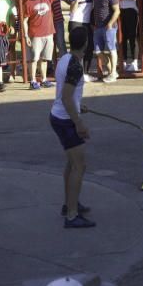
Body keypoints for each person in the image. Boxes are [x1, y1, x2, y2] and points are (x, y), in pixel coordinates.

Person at [50, 27, 95, 228]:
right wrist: (79, 123)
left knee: (71, 164)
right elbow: (67, 97)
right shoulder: (76, 66)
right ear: (85, 43)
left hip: (60, 115)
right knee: (79, 166)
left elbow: (67, 94)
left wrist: (78, 106)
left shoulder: (65, 58)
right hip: (65, 120)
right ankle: (72, 215)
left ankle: (69, 203)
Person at [24, 0, 62, 90]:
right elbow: (25, 20)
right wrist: (26, 36)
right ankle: (33, 80)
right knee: (34, 58)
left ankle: (44, 79)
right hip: (35, 35)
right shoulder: (29, 4)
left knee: (45, 59)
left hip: (48, 33)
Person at [91, 0, 121, 83]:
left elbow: (117, 11)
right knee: (98, 51)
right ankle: (112, 72)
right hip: (98, 27)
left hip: (109, 27)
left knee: (111, 49)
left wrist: (110, 23)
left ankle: (113, 73)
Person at [68, 0, 94, 80]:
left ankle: (85, 73)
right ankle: (76, 73)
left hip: (86, 23)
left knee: (89, 47)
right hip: (76, 22)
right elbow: (72, 10)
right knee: (78, 49)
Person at [117, 0, 139, 72]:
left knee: (132, 36)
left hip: (131, 10)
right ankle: (124, 60)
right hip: (121, 10)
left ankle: (135, 61)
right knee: (123, 37)